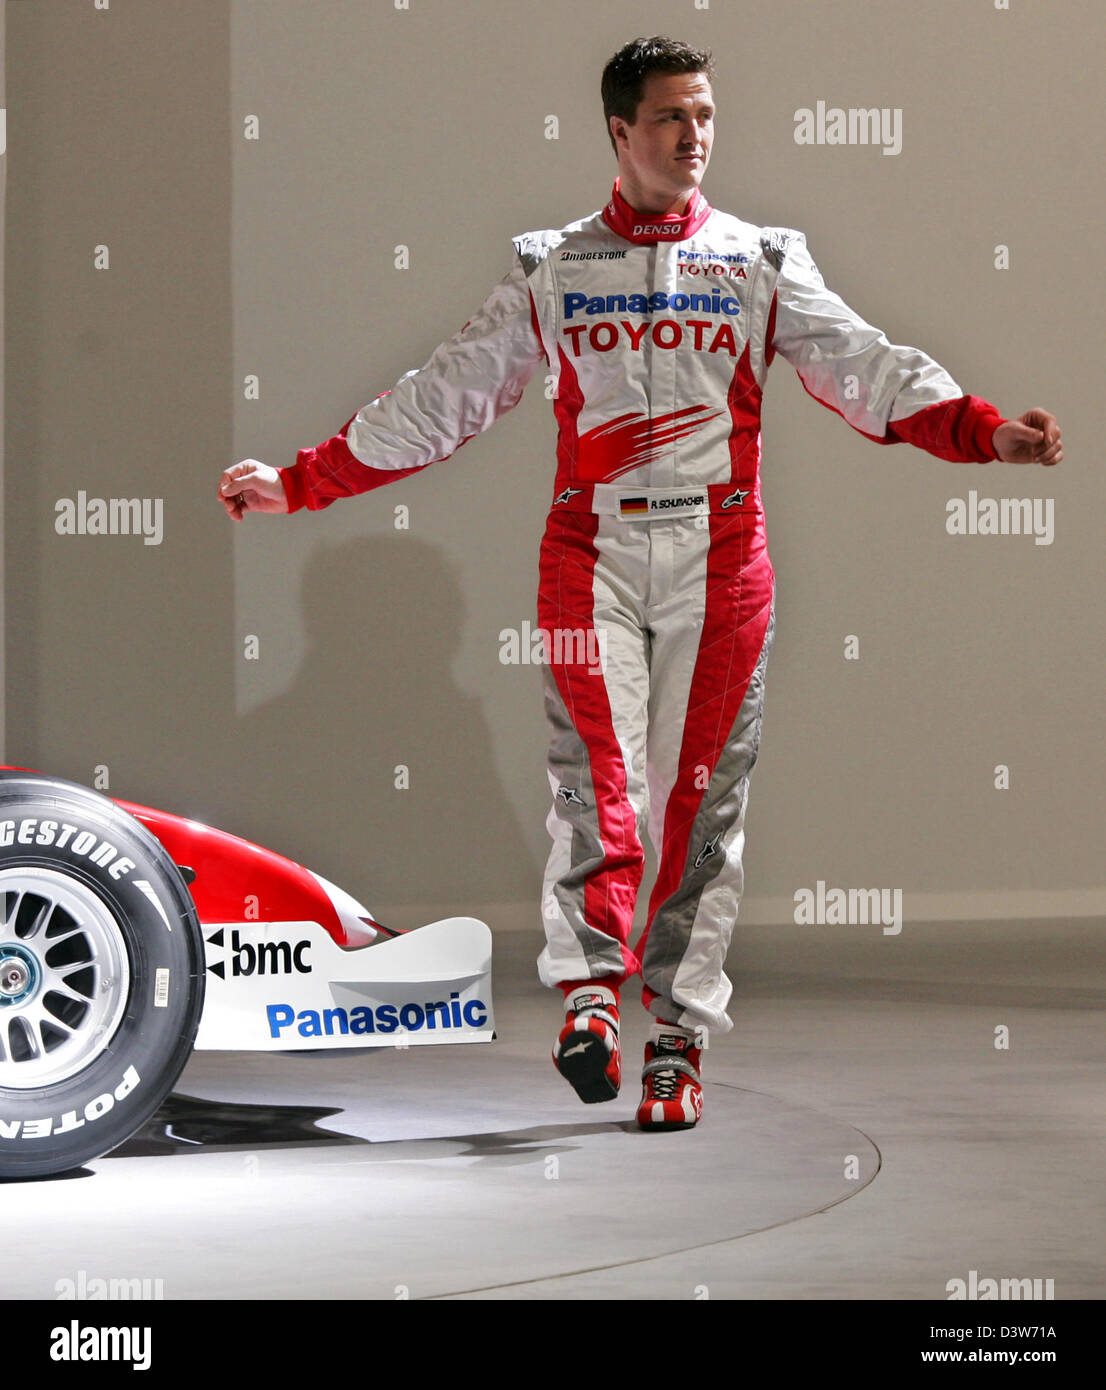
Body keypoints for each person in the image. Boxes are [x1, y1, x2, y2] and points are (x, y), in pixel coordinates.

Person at [217, 36, 1062, 1133]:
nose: (693, 136)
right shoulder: (551, 265)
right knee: (593, 785)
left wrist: (981, 433)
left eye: (704, 115)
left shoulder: (758, 256)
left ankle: (673, 1038)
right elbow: (444, 395)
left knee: (704, 804)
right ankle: (586, 1003)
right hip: (590, 559)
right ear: (619, 132)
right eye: (670, 117)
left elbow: (865, 364)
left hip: (724, 559)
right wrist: (298, 483)